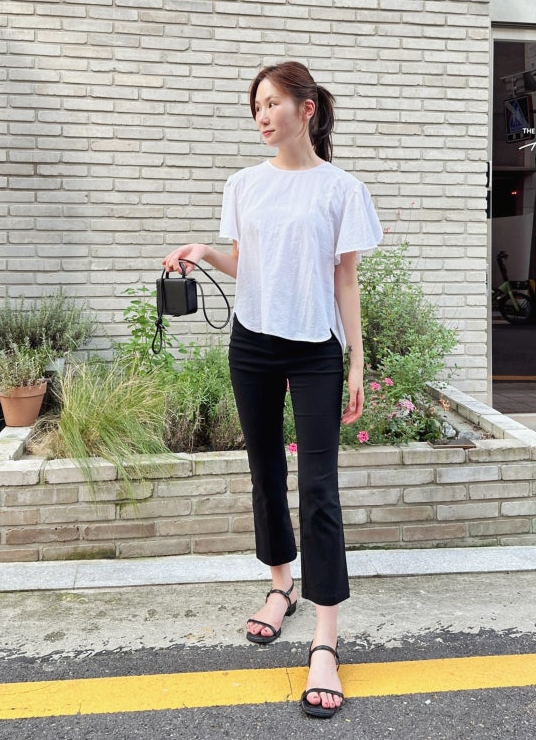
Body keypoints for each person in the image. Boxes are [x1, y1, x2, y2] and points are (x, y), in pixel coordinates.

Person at [163, 61, 382, 719]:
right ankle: (280, 586)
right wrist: (204, 252)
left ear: (305, 108)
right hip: (252, 342)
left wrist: (356, 361)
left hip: (315, 348)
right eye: (255, 106)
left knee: (318, 487)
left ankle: (325, 638)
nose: (261, 116)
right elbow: (250, 263)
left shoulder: (341, 189)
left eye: (272, 103)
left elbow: (345, 279)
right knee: (264, 473)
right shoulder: (243, 185)